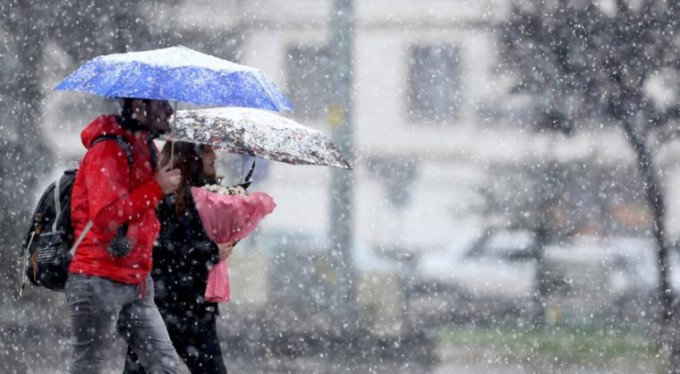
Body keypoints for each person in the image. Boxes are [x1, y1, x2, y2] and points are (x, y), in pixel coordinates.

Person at [66, 98, 182, 373]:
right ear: (138, 106)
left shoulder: (145, 147)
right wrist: (156, 188)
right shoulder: (109, 147)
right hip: (98, 277)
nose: (169, 110)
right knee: (89, 366)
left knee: (166, 366)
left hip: (137, 280)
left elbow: (141, 210)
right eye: (161, 104)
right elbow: (106, 215)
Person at [123, 141, 233, 374]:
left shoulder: (210, 194)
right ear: (189, 156)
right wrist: (210, 251)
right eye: (206, 150)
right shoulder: (164, 195)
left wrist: (226, 240)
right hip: (162, 304)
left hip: (195, 307)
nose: (214, 154)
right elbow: (161, 248)